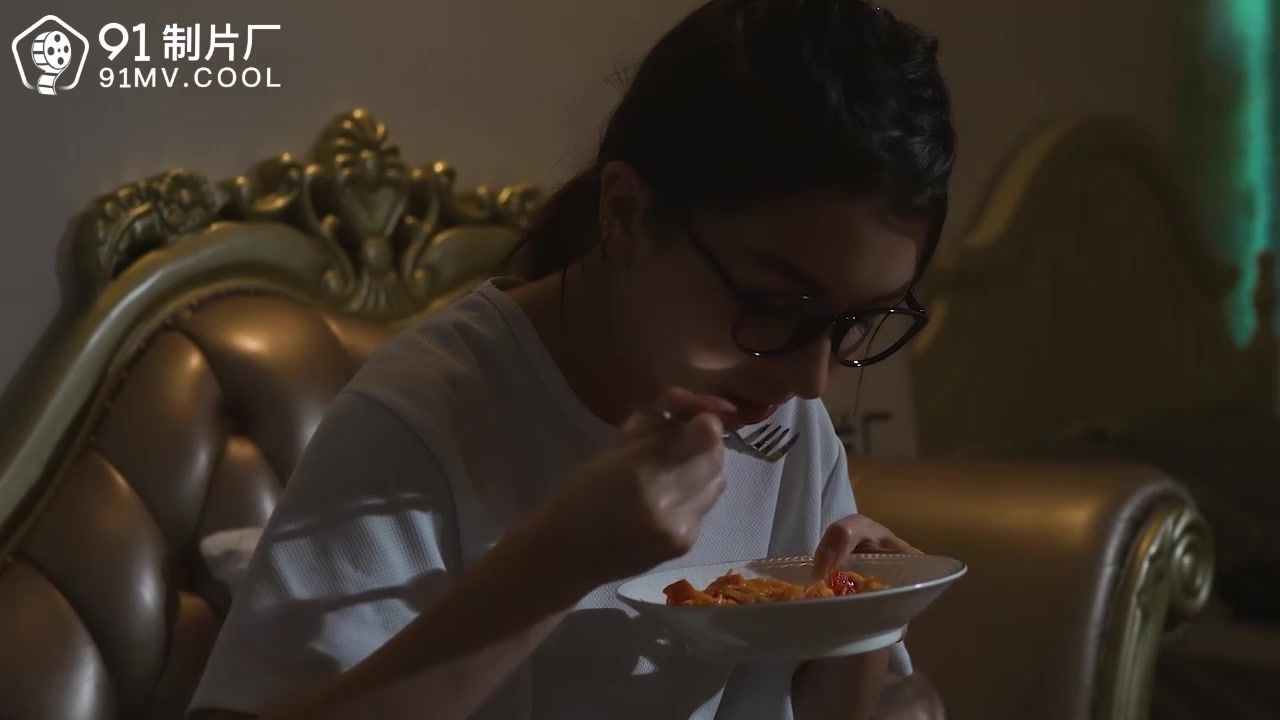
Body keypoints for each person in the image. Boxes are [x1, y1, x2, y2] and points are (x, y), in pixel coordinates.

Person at [189, 0, 955, 718]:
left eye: (855, 322)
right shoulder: (427, 414)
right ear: (625, 214)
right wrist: (561, 559)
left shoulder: (780, 408)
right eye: (772, 304)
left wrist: (866, 613)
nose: (810, 379)